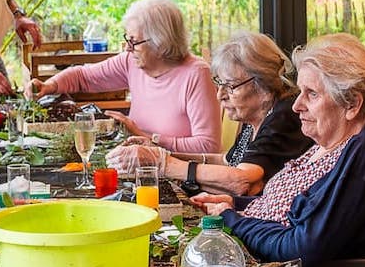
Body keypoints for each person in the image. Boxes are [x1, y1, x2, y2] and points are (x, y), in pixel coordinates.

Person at [191, 34, 365, 267]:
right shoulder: (326, 144)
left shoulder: (363, 152)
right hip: (267, 257)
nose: (296, 105)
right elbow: (277, 209)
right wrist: (233, 204)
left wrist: (232, 220)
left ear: (351, 104)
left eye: (311, 94)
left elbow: (302, 246)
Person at [108, 30, 310, 193]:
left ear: (263, 85)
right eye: (219, 84)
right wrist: (160, 152)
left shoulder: (284, 116)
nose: (220, 95)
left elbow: (242, 181)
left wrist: (164, 164)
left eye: (230, 86)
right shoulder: (258, 116)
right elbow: (226, 161)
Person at [34, 0, 221, 156]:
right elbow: (83, 76)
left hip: (179, 176)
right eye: (127, 40)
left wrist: (147, 138)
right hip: (138, 164)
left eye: (134, 42)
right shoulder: (131, 61)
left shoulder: (196, 74)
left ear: (161, 42)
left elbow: (208, 146)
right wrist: (49, 86)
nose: (127, 48)